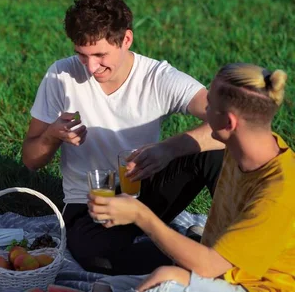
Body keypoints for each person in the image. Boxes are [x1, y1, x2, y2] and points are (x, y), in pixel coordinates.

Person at [22, 0, 225, 274]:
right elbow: (31, 159)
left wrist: (170, 149)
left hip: (144, 186)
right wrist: (52, 135)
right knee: (97, 260)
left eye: (100, 55)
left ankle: (238, 239)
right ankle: (202, 250)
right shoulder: (60, 76)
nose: (91, 67)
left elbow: (226, 121)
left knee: (217, 150)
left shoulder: (157, 78)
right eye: (82, 55)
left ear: (126, 39)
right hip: (91, 201)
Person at [89, 63, 293, 292]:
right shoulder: (248, 144)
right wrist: (167, 149)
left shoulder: (279, 194)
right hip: (225, 271)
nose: (204, 108)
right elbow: (208, 138)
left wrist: (140, 214)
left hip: (259, 286)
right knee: (105, 288)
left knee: (165, 284)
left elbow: (208, 265)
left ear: (229, 123)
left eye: (210, 105)